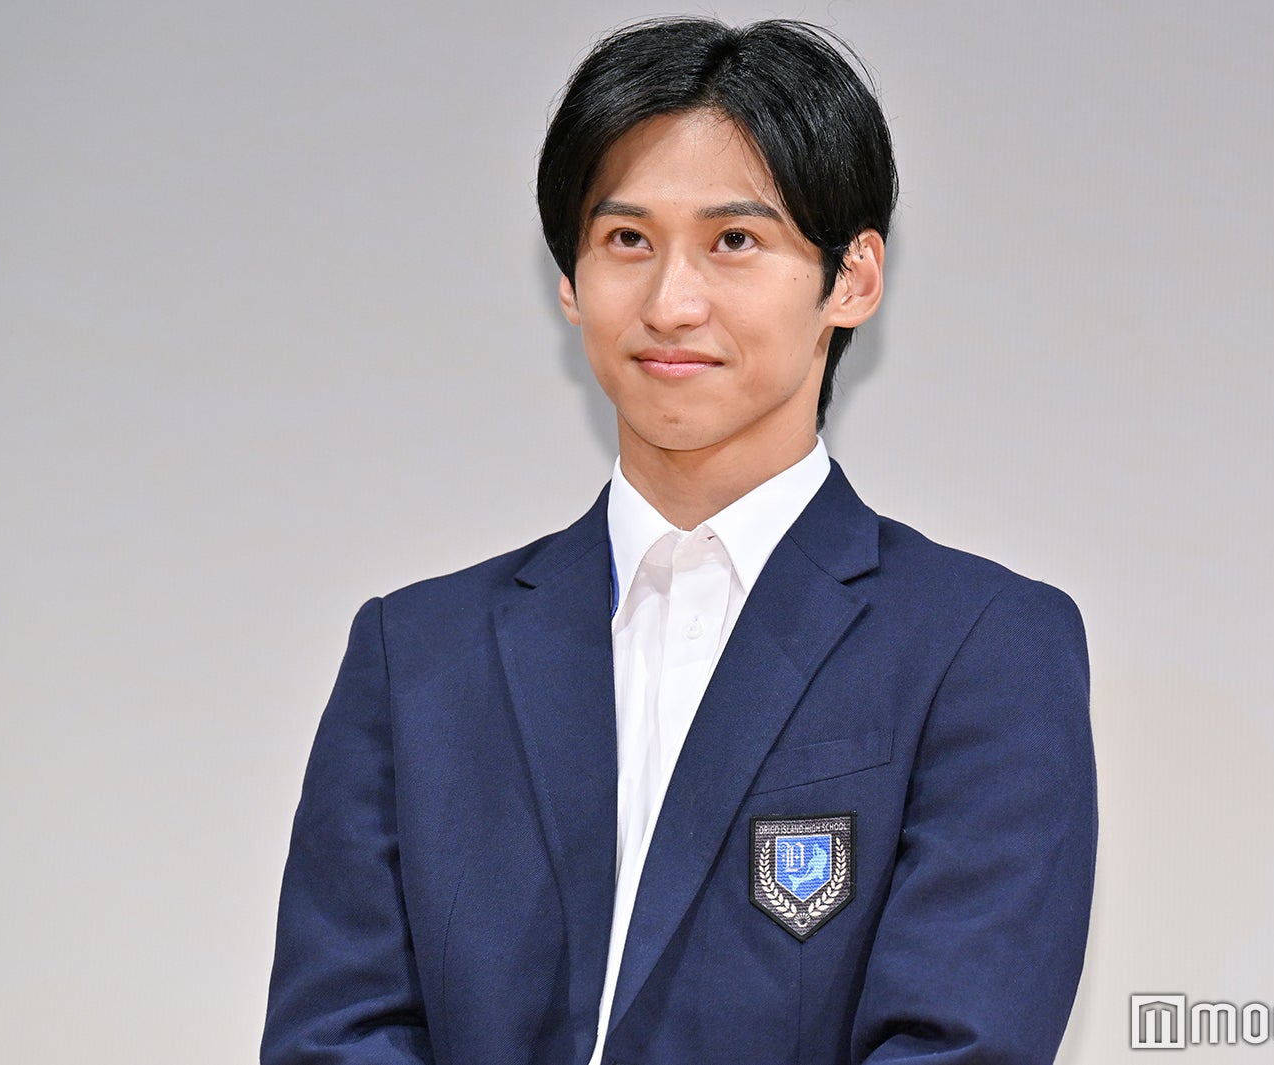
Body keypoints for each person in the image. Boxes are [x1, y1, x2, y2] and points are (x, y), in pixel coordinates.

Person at [263, 16, 1095, 1065]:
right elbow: (334, 1035)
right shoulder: (416, 654)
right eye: (627, 241)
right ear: (568, 281)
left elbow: (958, 1044)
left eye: (733, 241)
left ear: (851, 278)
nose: (670, 302)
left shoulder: (983, 645)